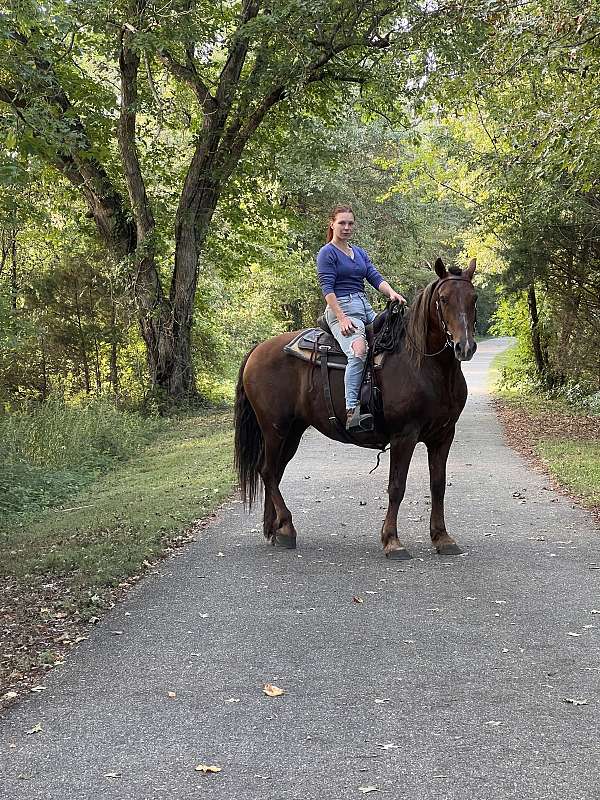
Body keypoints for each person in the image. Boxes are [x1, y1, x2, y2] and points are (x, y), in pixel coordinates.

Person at [316, 204, 406, 431]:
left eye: (350, 223)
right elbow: (328, 289)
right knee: (358, 351)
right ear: (332, 224)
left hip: (364, 307)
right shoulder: (327, 253)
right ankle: (352, 410)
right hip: (342, 308)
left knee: (394, 336)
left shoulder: (359, 252)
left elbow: (375, 277)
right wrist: (342, 318)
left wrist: (392, 292)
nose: (346, 227)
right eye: (342, 223)